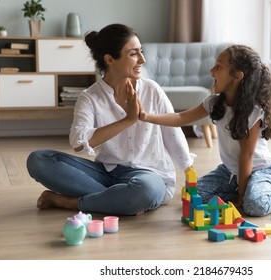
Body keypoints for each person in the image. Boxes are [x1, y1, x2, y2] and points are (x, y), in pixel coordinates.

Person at [26, 23, 195, 216]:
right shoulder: (89, 97)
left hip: (148, 175)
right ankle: (119, 199)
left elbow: (172, 133)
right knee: (39, 160)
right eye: (134, 54)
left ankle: (73, 203)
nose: (143, 60)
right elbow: (79, 143)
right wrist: (129, 120)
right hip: (105, 173)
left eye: (141, 52)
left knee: (145, 191)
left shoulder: (151, 90)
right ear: (110, 59)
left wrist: (189, 172)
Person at [140, 44, 271, 217]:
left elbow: (247, 156)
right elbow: (180, 118)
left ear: (238, 76)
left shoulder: (253, 111)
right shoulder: (214, 102)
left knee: (254, 207)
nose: (211, 70)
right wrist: (146, 116)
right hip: (230, 170)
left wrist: (241, 195)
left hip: (258, 169)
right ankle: (247, 192)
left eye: (219, 66)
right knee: (193, 196)